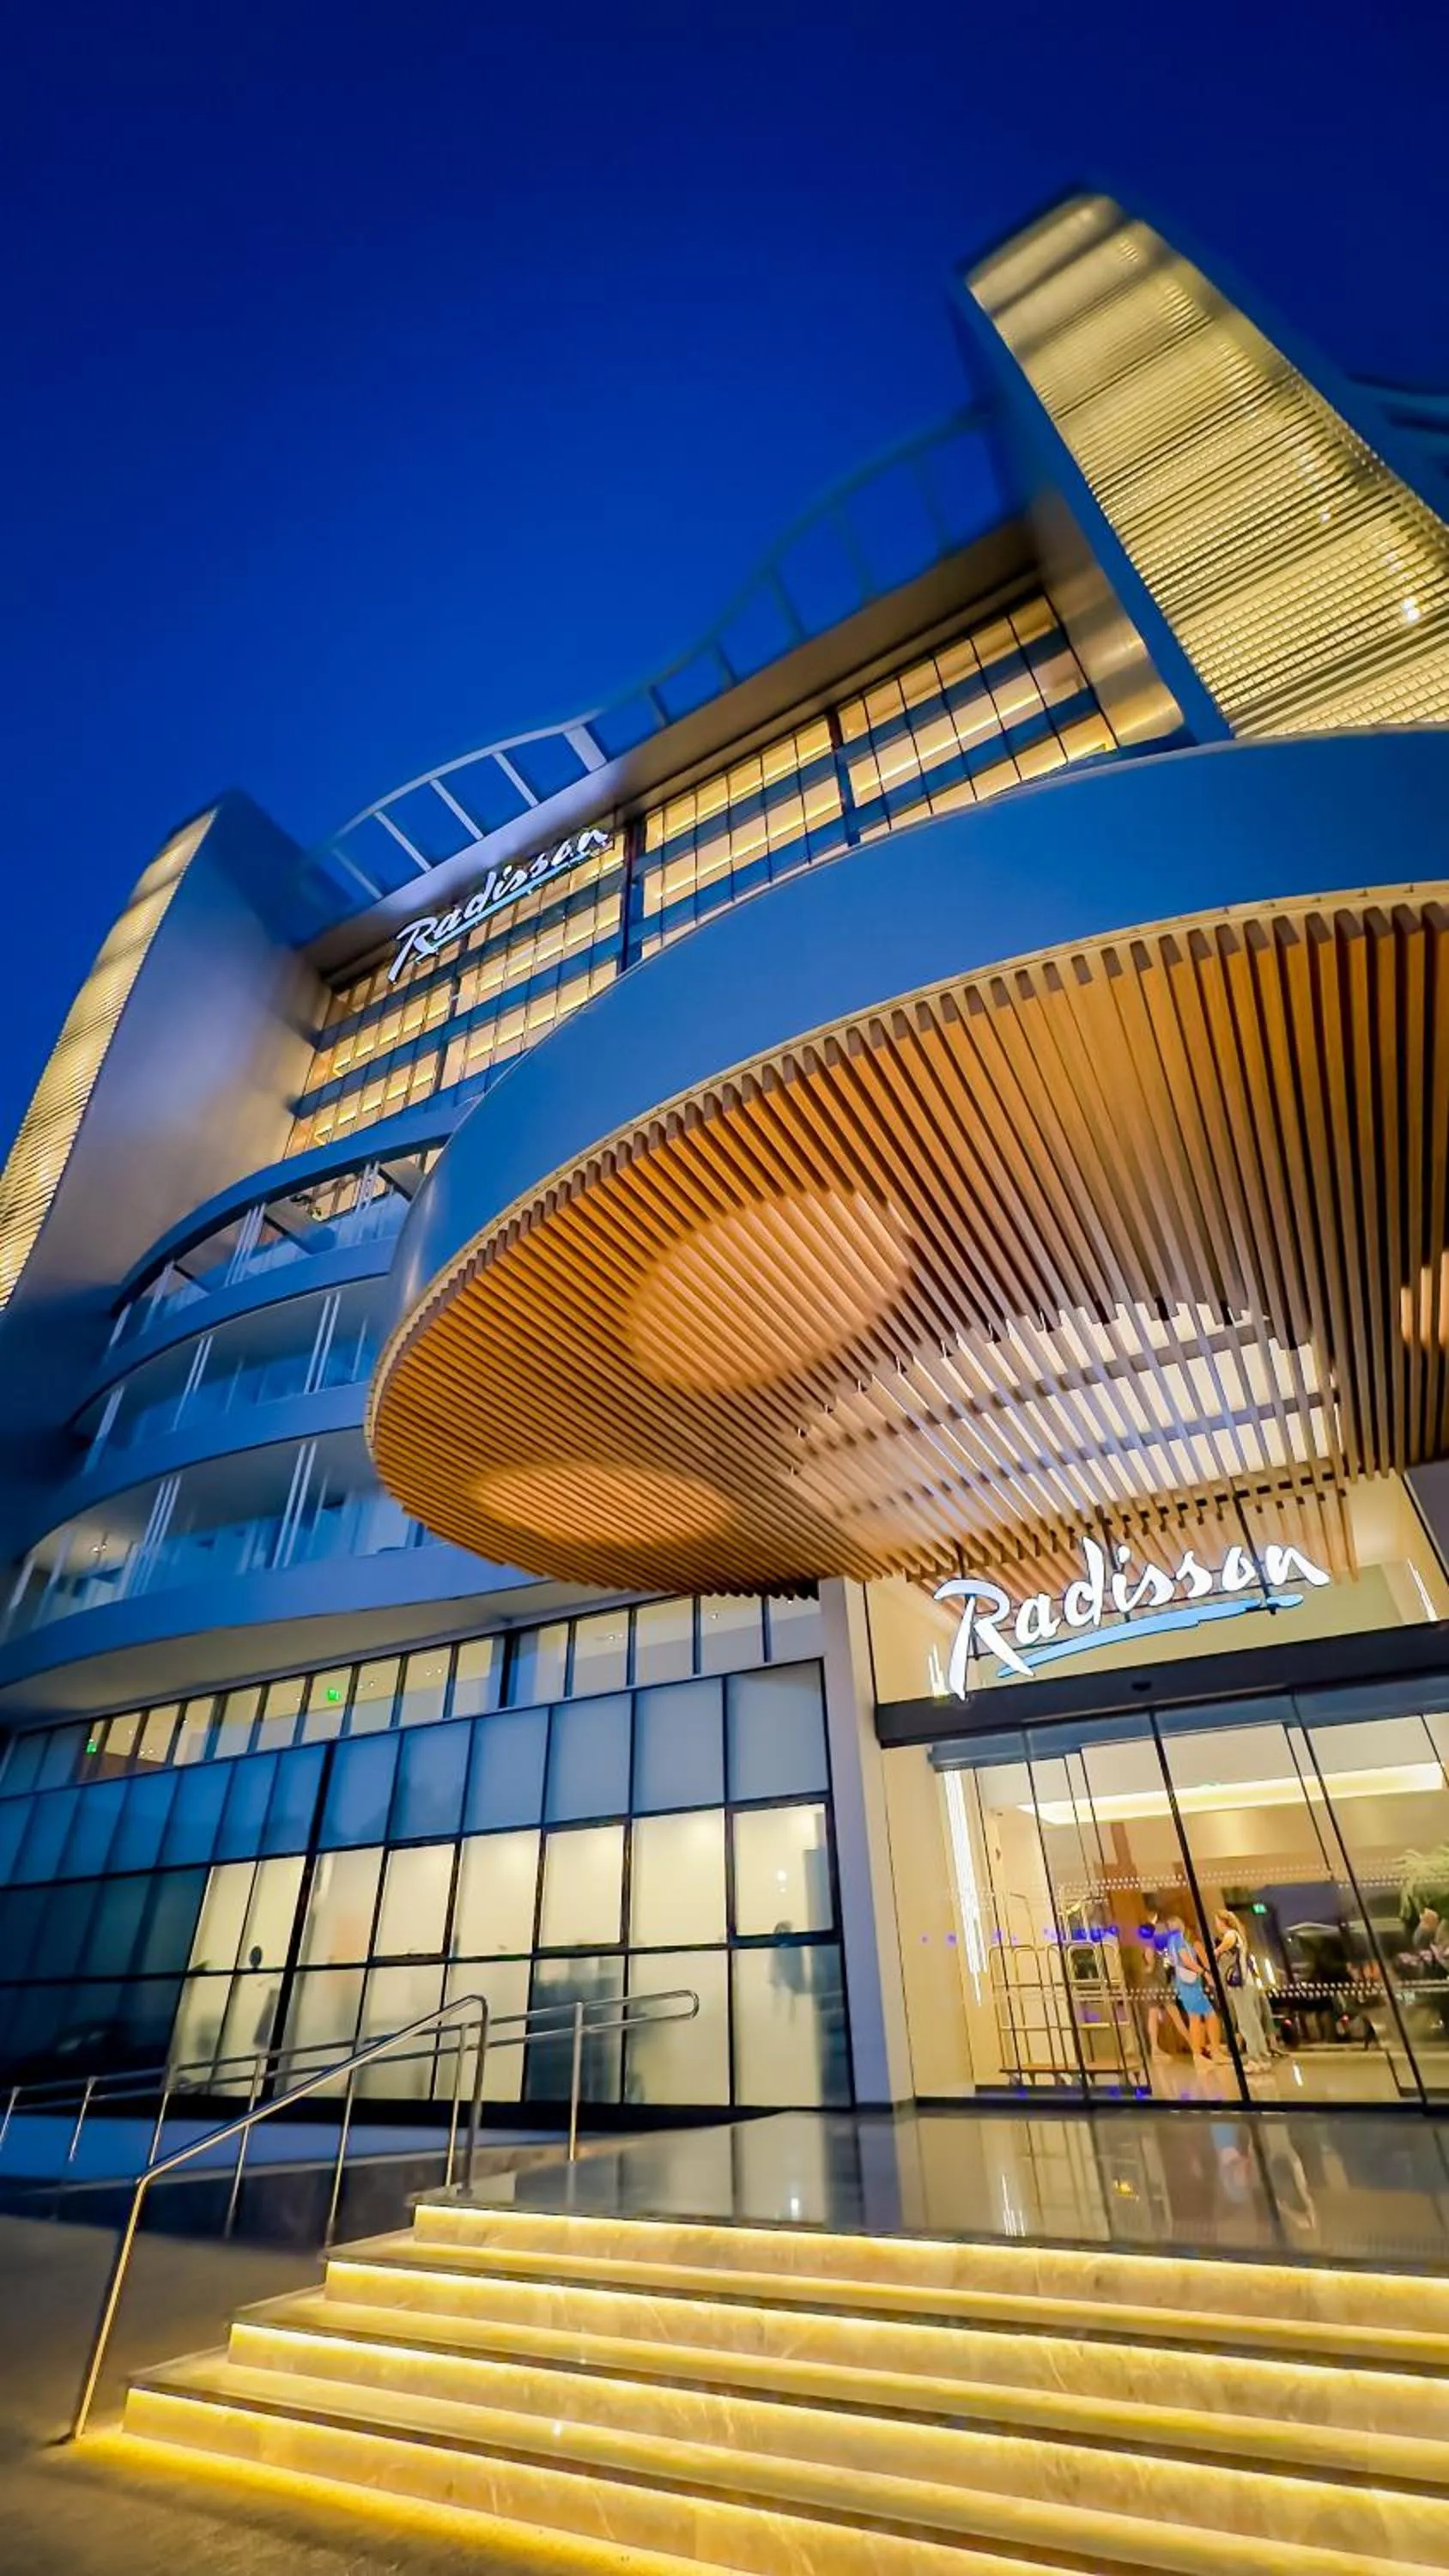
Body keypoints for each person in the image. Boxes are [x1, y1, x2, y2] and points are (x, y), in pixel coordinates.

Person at [1214, 1910, 1275, 2069]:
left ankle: (1256, 2059)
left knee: (1246, 2022)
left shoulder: (1230, 1934)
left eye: (1217, 1922)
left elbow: (1222, 1947)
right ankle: (1262, 2057)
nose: (1216, 1925)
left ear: (1223, 1922)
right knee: (1251, 2020)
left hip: (1239, 1984)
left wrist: (1216, 1952)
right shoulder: (1237, 1935)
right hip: (1245, 1983)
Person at [1163, 1916, 1223, 2065]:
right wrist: (1205, 1973)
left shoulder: (1174, 1940)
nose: (1172, 1925)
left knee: (1201, 2016)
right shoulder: (1178, 1939)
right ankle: (1204, 2054)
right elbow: (1186, 1961)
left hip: (1187, 1982)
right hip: (1189, 1983)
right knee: (1201, 2016)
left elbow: (1175, 1960)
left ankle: (1206, 2053)